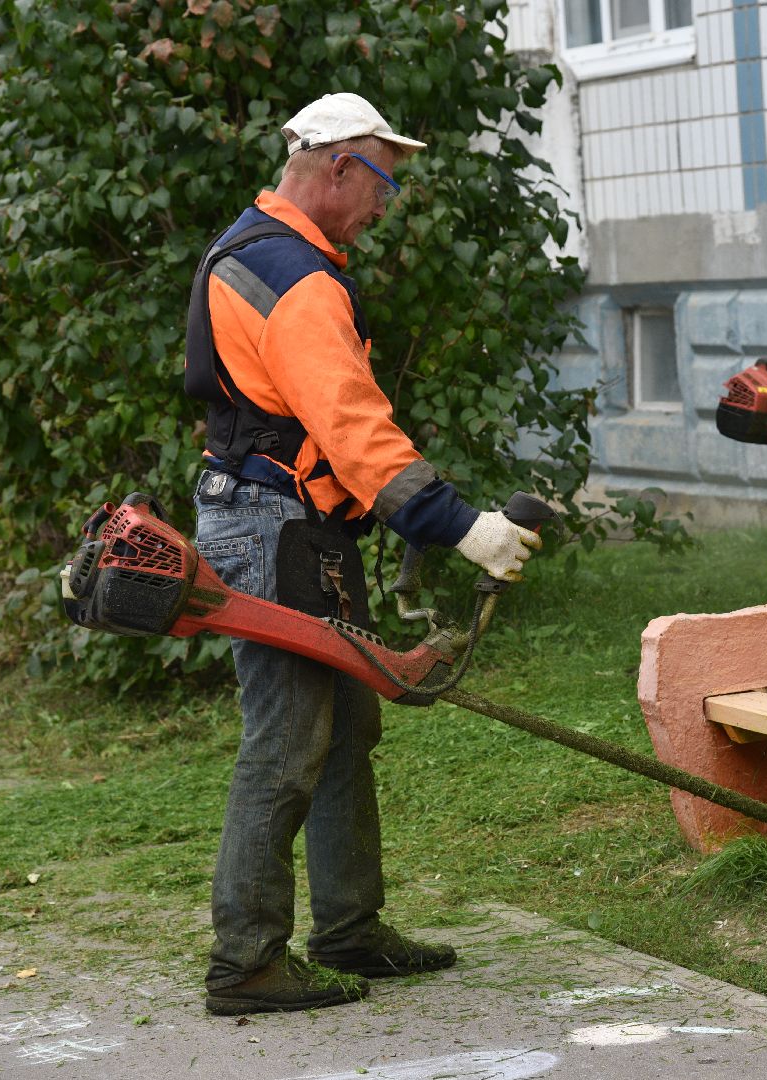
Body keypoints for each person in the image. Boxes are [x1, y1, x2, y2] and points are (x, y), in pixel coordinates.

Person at [185, 93, 540, 1016]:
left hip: (295, 527)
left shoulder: (261, 249)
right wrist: (462, 525)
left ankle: (348, 931)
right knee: (289, 738)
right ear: (338, 166)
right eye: (384, 181)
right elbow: (354, 430)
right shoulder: (292, 277)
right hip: (274, 531)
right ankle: (247, 962)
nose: (387, 203)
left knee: (345, 726)